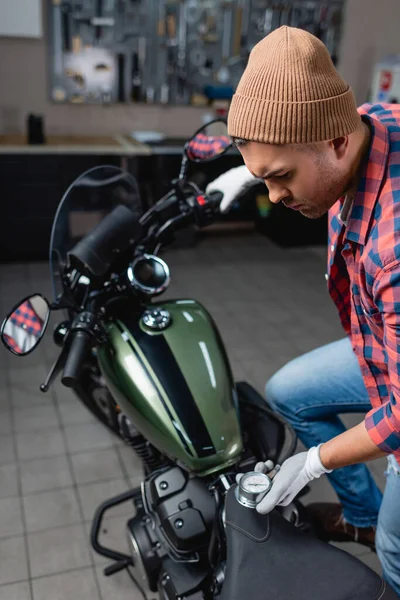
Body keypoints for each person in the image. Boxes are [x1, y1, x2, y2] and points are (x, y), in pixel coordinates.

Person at [206, 25, 400, 595]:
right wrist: (257, 164)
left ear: (338, 142)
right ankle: (362, 520)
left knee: (398, 546)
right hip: (385, 350)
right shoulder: (365, 122)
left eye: (282, 177)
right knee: (291, 392)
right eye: (266, 178)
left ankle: (383, 544)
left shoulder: (394, 252)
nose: (275, 198)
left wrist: (314, 464)